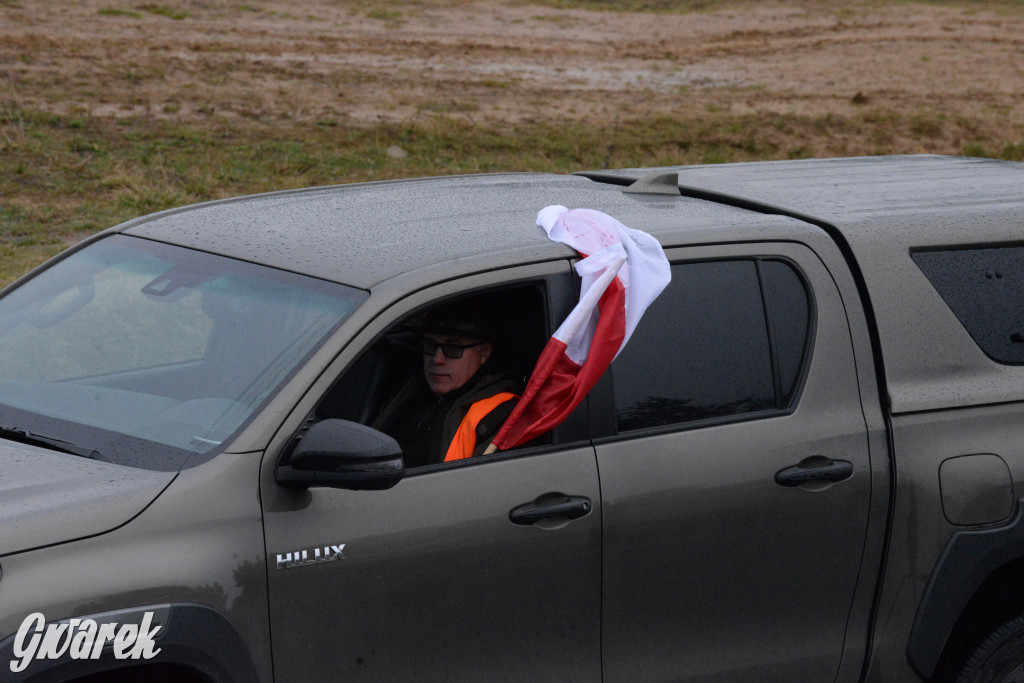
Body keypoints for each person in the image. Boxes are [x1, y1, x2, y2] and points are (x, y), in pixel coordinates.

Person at [371, 300, 521, 468]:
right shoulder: (408, 387)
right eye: (430, 345)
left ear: (484, 352)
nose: (437, 359)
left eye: (453, 348)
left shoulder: (502, 416)